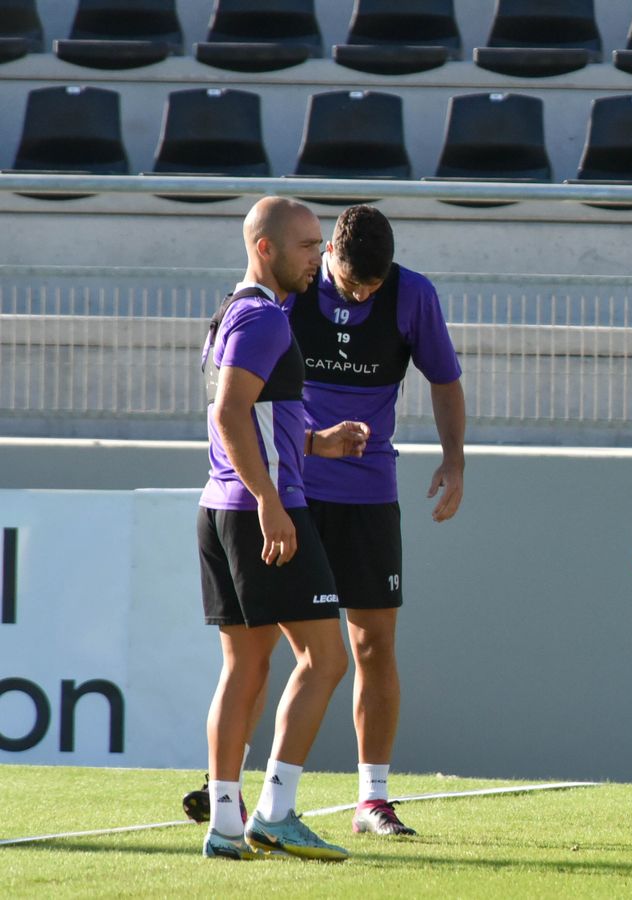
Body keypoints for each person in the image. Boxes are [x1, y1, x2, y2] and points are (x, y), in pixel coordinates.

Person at [196, 196, 370, 861]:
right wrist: (271, 499)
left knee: (244, 667)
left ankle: (224, 826)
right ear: (264, 247)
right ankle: (275, 810)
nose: (320, 256)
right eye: (307, 244)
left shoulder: (230, 314)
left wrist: (316, 444)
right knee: (325, 659)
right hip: (260, 511)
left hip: (222, 509)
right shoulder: (264, 318)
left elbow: (256, 417)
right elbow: (231, 413)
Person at [295, 204, 466, 836]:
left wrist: (455, 461)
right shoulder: (293, 287)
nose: (361, 293)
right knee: (264, 644)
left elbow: (444, 381)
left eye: (372, 285)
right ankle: (235, 788)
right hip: (293, 495)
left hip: (368, 496)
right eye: (350, 280)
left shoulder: (412, 294)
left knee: (372, 645)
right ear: (329, 255)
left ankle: (372, 798)